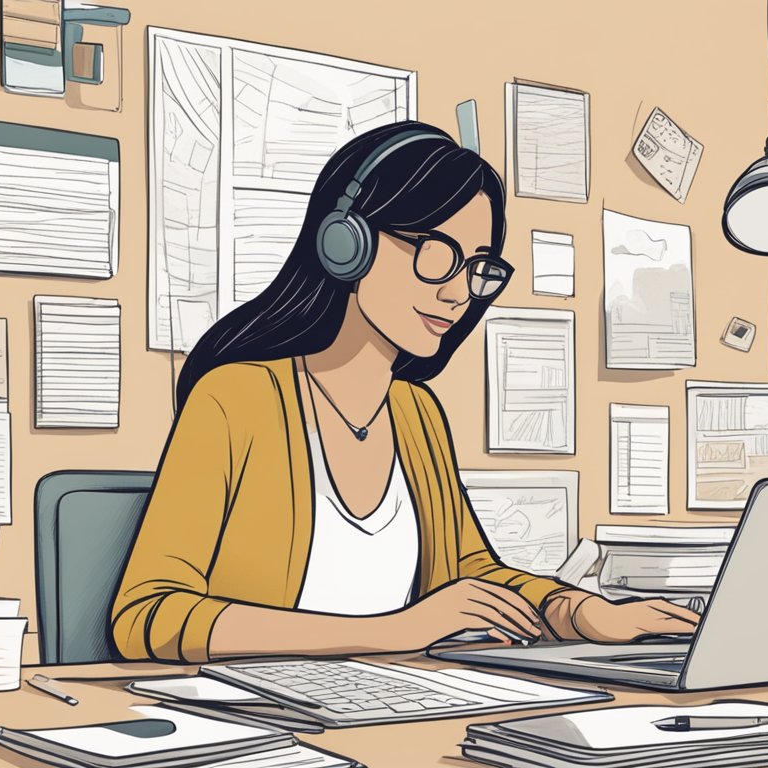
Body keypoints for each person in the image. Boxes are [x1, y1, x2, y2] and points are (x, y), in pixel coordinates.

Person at [111, 121, 699, 663]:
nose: (459, 293)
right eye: (437, 254)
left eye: (477, 267)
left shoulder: (415, 413)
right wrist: (392, 631)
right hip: (263, 722)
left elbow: (470, 572)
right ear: (348, 244)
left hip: (388, 707)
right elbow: (147, 616)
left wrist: (577, 611)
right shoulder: (235, 400)